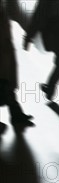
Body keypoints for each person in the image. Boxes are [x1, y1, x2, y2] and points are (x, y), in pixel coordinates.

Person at [0, 1, 33, 134]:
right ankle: (16, 114)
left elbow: (16, 11)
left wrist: (30, 30)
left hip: (4, 45)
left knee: (5, 82)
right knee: (4, 82)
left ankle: (16, 114)